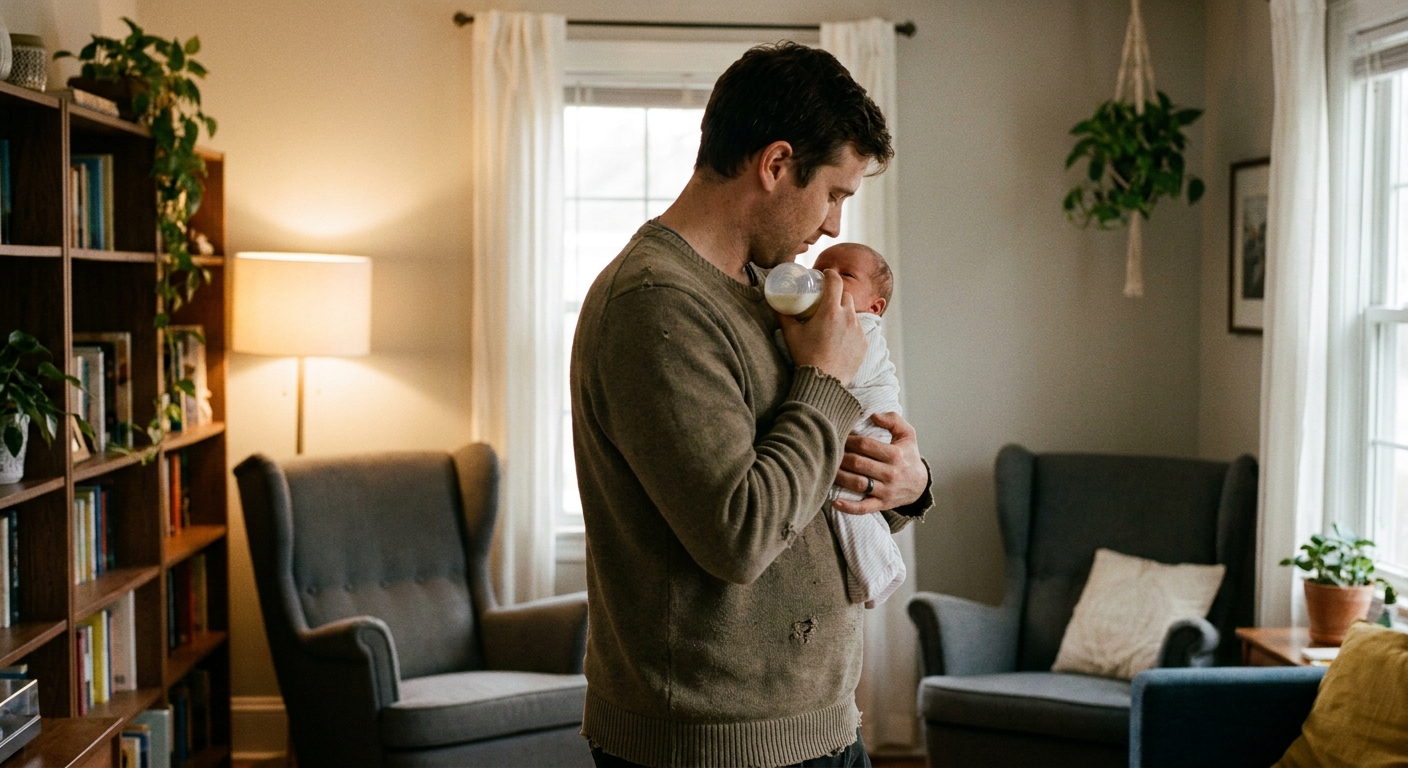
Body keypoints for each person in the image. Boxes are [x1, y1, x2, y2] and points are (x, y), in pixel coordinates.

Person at [570, 42, 933, 768]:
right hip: (716, 748)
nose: (834, 226)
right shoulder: (655, 306)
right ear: (775, 165)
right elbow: (739, 534)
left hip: (820, 722)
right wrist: (826, 381)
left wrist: (907, 487)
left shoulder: (765, 289)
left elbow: (803, 496)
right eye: (833, 193)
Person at [775, 242, 906, 610]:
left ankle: (881, 570)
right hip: (852, 426)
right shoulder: (820, 323)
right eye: (819, 270)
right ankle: (874, 568)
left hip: (874, 428)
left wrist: (784, 342)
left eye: (845, 275)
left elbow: (839, 369)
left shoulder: (861, 328)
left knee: (844, 500)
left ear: (874, 306)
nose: (827, 278)